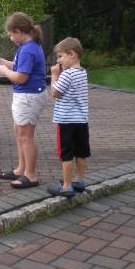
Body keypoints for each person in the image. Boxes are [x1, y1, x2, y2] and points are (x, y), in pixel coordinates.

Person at [0, 12, 47, 189]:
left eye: (11, 34)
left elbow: (20, 77)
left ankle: (31, 175)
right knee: (20, 134)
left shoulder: (28, 49)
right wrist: (1, 61)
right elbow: (18, 67)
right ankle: (21, 169)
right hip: (26, 96)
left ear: (18, 31)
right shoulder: (27, 46)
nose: (11, 37)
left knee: (26, 137)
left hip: (28, 96)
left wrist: (4, 72)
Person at [47, 37, 90, 198]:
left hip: (66, 121)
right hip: (81, 120)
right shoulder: (82, 72)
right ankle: (79, 180)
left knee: (66, 153)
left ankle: (66, 186)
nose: (58, 60)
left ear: (72, 55)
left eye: (60, 56)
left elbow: (55, 92)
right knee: (80, 152)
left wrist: (54, 75)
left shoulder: (67, 75)